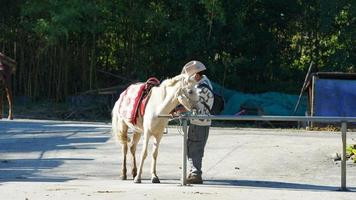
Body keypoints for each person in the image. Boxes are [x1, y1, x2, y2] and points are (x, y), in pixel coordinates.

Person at [181, 60, 214, 184]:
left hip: (198, 123)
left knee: (193, 147)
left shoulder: (200, 88)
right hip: (206, 122)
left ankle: (195, 174)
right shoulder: (207, 82)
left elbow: (193, 106)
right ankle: (194, 172)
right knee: (198, 148)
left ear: (195, 75)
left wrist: (181, 102)